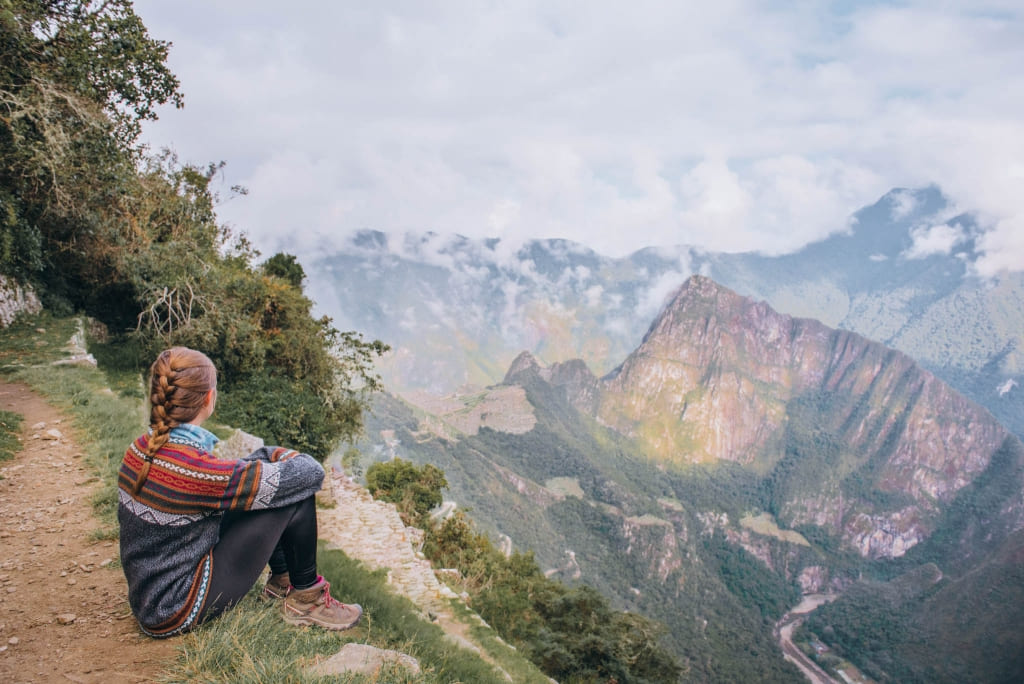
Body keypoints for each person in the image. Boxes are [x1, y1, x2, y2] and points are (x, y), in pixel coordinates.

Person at [117, 346, 362, 638]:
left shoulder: (141, 448)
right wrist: (275, 454)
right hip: (177, 607)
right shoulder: (196, 470)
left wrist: (264, 458)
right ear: (210, 398)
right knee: (292, 496)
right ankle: (307, 598)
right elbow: (310, 474)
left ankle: (283, 582)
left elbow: (230, 476)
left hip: (151, 598)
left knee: (269, 485)